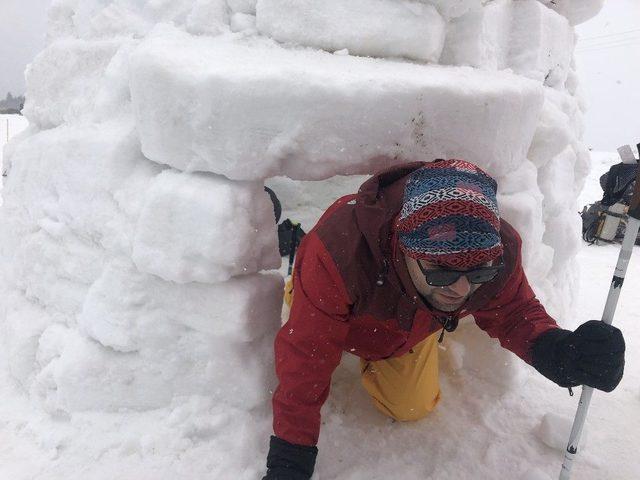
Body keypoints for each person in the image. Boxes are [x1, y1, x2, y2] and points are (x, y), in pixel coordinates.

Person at [262, 159, 625, 480]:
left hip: (401, 332)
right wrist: (290, 459)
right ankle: (305, 292)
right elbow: (305, 355)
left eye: (478, 271)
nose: (462, 288)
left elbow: (512, 310)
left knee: (410, 407)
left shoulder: (496, 251)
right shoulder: (339, 251)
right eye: (441, 271)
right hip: (331, 304)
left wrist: (558, 351)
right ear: (404, 249)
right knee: (314, 339)